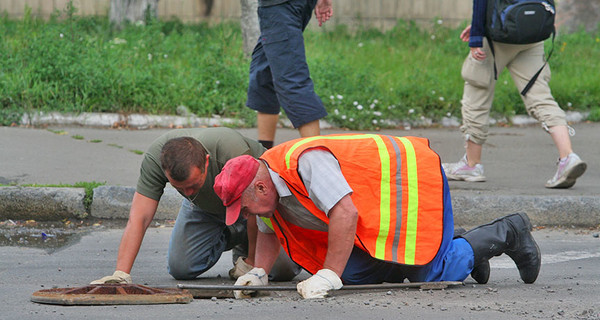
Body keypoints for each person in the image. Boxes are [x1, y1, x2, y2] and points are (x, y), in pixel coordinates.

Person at [213, 134, 541, 299]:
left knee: (432, 274)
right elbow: (269, 230)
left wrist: (328, 274)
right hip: (377, 209)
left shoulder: (305, 163)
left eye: (242, 207)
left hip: (410, 183)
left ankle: (508, 231)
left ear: (259, 187)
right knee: (353, 274)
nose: (244, 217)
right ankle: (460, 245)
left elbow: (345, 212)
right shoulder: (266, 190)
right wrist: (260, 273)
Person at [91, 127, 300, 285]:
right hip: (206, 208)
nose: (188, 192)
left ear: (206, 162)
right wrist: (121, 274)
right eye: (180, 188)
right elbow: (140, 217)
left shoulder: (230, 149)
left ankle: (247, 248)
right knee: (181, 268)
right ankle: (235, 235)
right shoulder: (156, 158)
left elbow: (257, 207)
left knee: (282, 272)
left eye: (193, 185)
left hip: (253, 205)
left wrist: (253, 265)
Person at [443, 0, 586, 188]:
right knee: (541, 98)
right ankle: (568, 157)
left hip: (498, 39)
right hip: (530, 33)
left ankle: (472, 165)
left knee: (477, 93)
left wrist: (477, 35)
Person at [246, 0, 333, 150]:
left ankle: (319, 160)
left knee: (291, 79)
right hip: (289, 5)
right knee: (264, 74)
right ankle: (265, 154)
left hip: (279, 6)